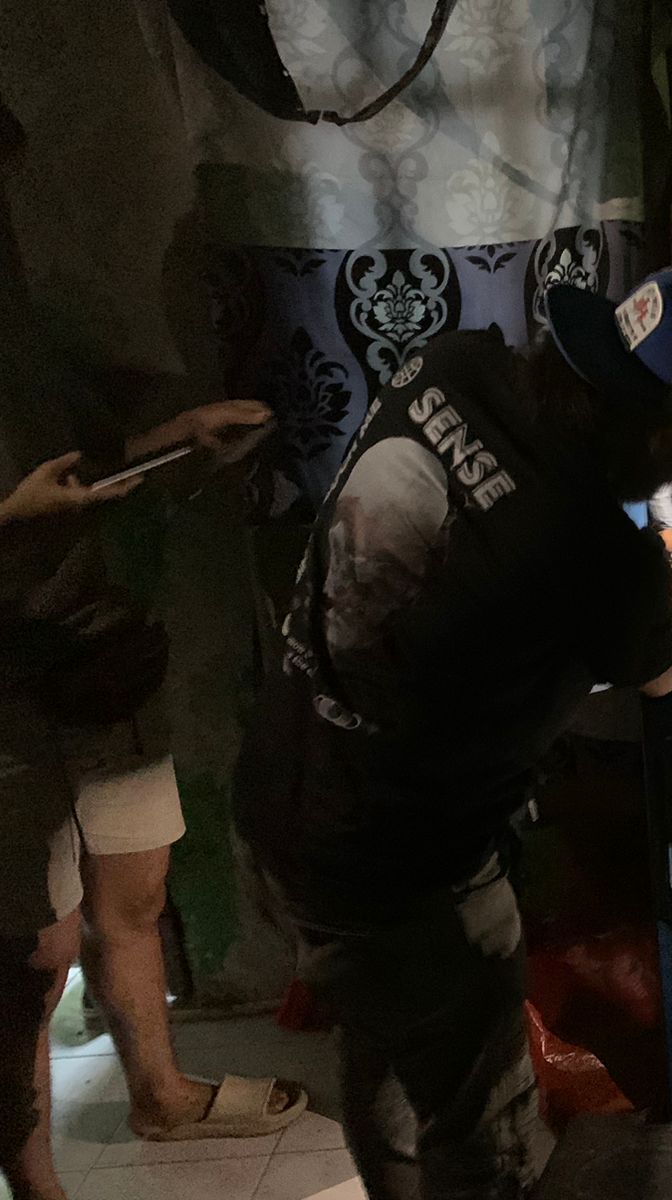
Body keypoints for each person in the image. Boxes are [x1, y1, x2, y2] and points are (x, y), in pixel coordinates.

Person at [232, 269, 672, 1200]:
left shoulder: (451, 364)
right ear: (669, 440)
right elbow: (663, 661)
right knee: (482, 1131)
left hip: (281, 787)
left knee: (380, 1037)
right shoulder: (594, 556)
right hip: (412, 873)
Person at [0, 98, 304, 1200]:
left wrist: (172, 439)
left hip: (98, 646)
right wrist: (11, 519)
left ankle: (161, 1095)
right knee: (32, 953)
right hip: (9, 689)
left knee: (135, 889)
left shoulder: (18, 315)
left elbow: (78, 452)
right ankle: (36, 1178)